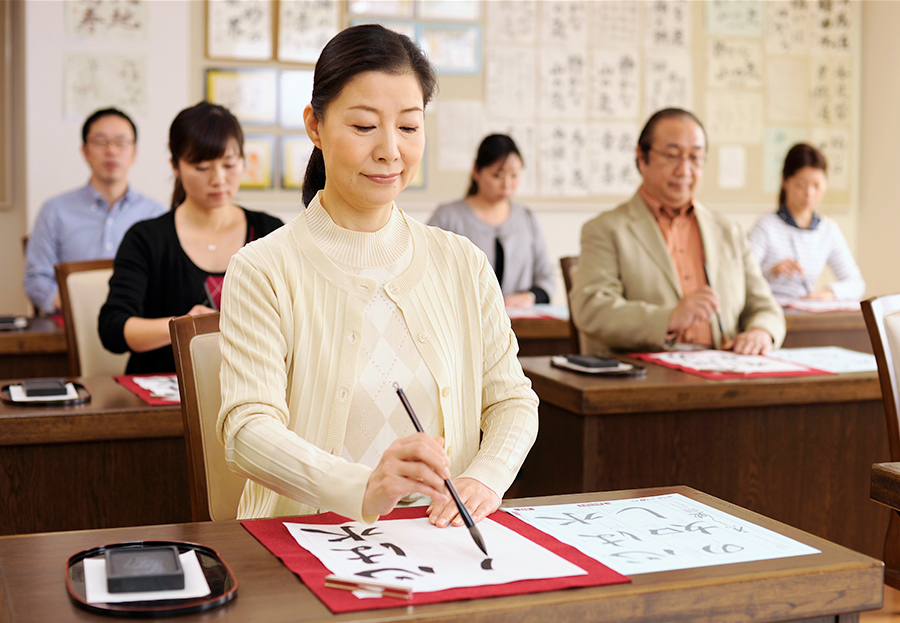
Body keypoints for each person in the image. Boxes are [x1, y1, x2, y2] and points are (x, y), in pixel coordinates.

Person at [216, 24, 538, 528]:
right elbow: (247, 430)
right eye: (364, 126)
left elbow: (513, 400)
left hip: (439, 541)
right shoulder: (263, 268)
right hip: (306, 541)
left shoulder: (463, 263)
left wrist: (485, 477)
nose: (390, 150)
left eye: (409, 127)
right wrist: (361, 488)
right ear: (315, 127)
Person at [569, 108, 785, 356]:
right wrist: (669, 319)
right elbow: (592, 309)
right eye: (672, 155)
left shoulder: (728, 231)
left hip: (724, 370)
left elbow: (765, 306)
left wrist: (761, 331)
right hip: (646, 377)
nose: (684, 170)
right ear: (641, 157)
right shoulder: (606, 230)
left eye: (695, 158)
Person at [98, 102, 283, 374]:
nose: (219, 179)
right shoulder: (146, 238)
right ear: (175, 165)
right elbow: (113, 329)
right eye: (202, 167)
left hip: (254, 388)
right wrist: (185, 325)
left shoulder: (269, 231)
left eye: (229, 164)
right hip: (164, 394)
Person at [23, 108, 165, 315]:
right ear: (85, 151)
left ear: (134, 152)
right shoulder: (54, 210)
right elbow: (36, 279)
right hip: (71, 322)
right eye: (100, 141)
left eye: (121, 142)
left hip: (138, 323)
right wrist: (76, 304)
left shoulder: (155, 213)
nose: (111, 151)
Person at [428, 134, 555, 307]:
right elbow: (427, 275)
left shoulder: (527, 218)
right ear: (476, 172)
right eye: (497, 175)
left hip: (521, 326)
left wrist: (530, 297)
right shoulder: (448, 217)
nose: (506, 184)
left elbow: (546, 279)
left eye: (514, 175)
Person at [749, 143, 865, 302]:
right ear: (785, 181)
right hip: (768, 310)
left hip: (805, 312)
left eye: (817, 185)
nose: (809, 194)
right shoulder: (766, 226)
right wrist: (771, 273)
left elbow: (856, 284)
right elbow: (742, 277)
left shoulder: (828, 230)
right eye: (801, 185)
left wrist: (828, 293)